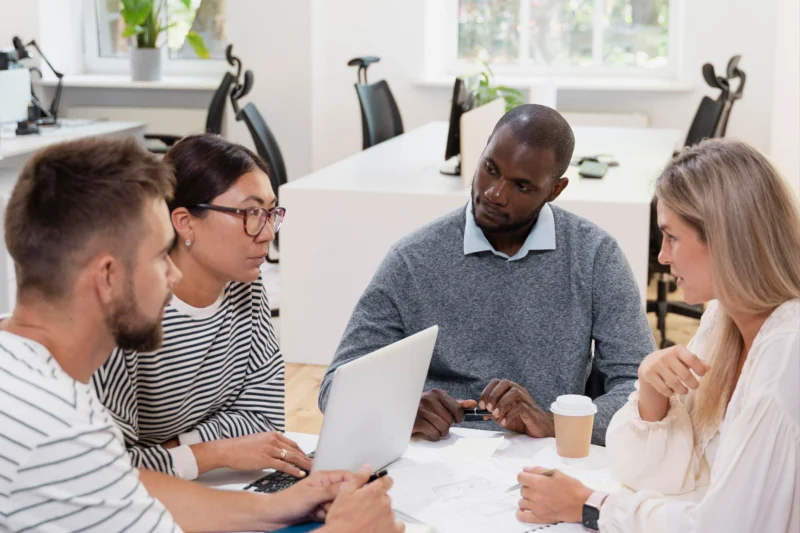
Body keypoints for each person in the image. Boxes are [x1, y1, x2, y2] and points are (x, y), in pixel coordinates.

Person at [0, 137, 401, 532]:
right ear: (108, 277)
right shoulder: (59, 430)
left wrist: (280, 505)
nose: (173, 275)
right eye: (160, 256)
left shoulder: (34, 382)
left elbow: (133, 483)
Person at [319, 104, 655, 445]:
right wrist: (398, 410)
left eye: (522, 186)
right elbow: (335, 388)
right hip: (437, 456)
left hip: (545, 454)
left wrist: (556, 424)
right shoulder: (413, 258)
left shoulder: (594, 256)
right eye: (490, 169)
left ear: (555, 190)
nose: (495, 193)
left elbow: (641, 388)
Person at [515, 139, 800, 532]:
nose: (663, 256)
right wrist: (651, 391)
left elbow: (731, 526)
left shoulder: (786, 357)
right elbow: (658, 476)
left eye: (673, 237)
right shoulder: (723, 319)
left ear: (725, 239)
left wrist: (590, 506)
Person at [93, 134, 309, 481]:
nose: (267, 233)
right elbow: (109, 466)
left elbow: (265, 421)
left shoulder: (246, 286)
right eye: (251, 213)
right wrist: (215, 451)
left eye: (270, 213)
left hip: (204, 484)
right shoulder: (128, 309)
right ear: (185, 222)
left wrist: (176, 449)